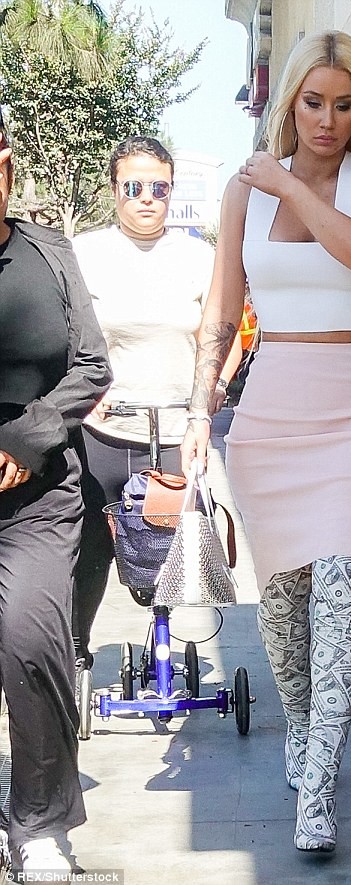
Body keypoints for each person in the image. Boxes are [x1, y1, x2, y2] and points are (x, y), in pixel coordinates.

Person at [181, 30, 351, 852]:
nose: (328, 120)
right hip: (269, 421)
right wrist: (198, 412)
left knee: (341, 586)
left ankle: (318, 790)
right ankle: (300, 728)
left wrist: (289, 184)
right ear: (290, 102)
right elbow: (221, 310)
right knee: (283, 617)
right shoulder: (242, 193)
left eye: (344, 104)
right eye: (313, 102)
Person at [71, 136, 242, 666]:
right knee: (90, 553)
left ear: (171, 191)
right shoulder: (84, 253)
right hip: (102, 433)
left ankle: (163, 652)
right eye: (133, 187)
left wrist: (212, 394)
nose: (146, 198)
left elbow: (229, 335)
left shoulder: (199, 257)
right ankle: (74, 655)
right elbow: (63, 332)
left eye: (159, 188)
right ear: (114, 190)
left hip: (174, 435)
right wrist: (81, 397)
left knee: (165, 557)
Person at [0, 116, 112, 872]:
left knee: (32, 637)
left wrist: (27, 436)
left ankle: (38, 821)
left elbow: (93, 365)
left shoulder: (48, 253)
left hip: (38, 496)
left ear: (5, 167)